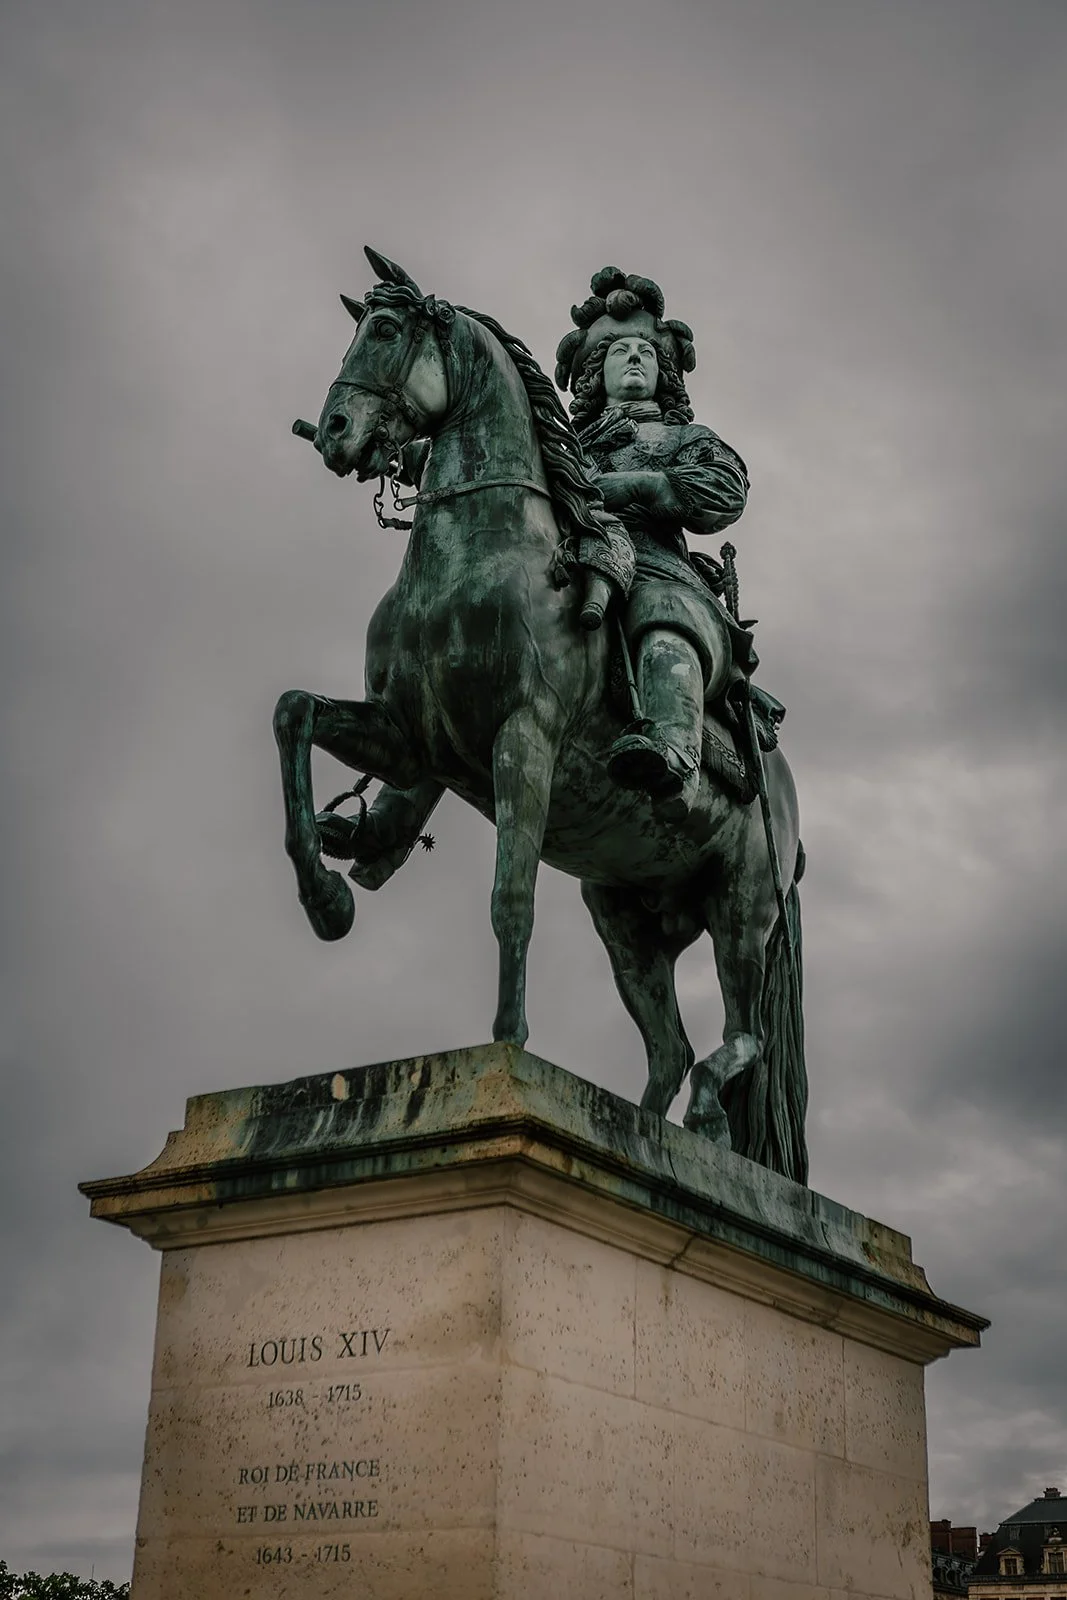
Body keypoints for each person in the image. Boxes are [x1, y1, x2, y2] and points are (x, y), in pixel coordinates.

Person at [556, 268, 751, 820]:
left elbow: (726, 489)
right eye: (620, 351)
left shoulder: (685, 438)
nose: (635, 358)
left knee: (662, 614)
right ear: (597, 373)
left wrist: (644, 484)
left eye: (645, 351)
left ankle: (674, 748)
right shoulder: (561, 445)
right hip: (566, 561)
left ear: (665, 371)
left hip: (657, 567)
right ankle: (396, 806)